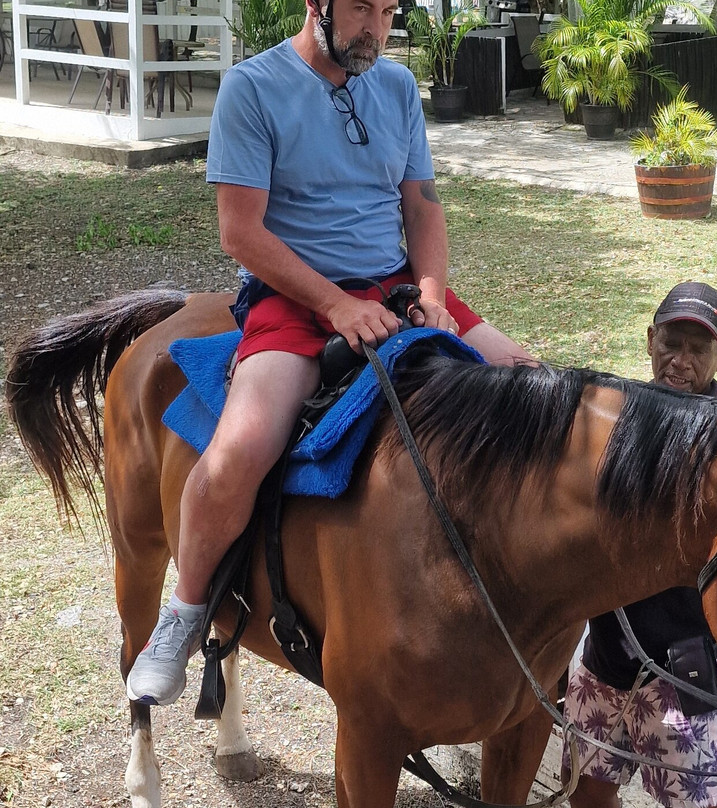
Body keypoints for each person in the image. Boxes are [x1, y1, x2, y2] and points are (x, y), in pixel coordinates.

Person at [126, 0, 534, 706]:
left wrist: (433, 295)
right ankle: (184, 612)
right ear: (317, 4)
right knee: (240, 450)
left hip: (396, 287)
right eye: (361, 11)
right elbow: (241, 234)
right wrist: (336, 305)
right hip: (296, 300)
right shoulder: (252, 88)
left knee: (531, 385)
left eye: (388, 11)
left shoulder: (399, 87)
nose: (377, 28)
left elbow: (423, 207)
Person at [561, 282, 717, 808]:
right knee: (585, 795)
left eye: (698, 348)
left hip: (690, 675)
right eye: (671, 342)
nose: (680, 361)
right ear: (649, 340)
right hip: (607, 659)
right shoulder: (611, 421)